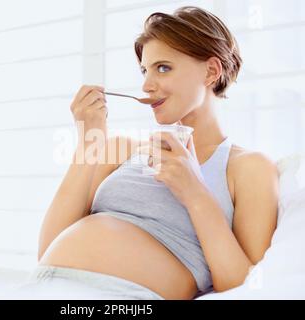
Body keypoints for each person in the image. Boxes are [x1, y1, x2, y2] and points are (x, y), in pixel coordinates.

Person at [22, 6, 279, 300]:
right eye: (145, 70)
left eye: (163, 68)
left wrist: (194, 193)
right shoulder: (120, 149)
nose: (146, 85)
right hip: (43, 288)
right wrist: (89, 143)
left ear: (211, 71)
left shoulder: (249, 168)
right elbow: (47, 251)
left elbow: (243, 288)